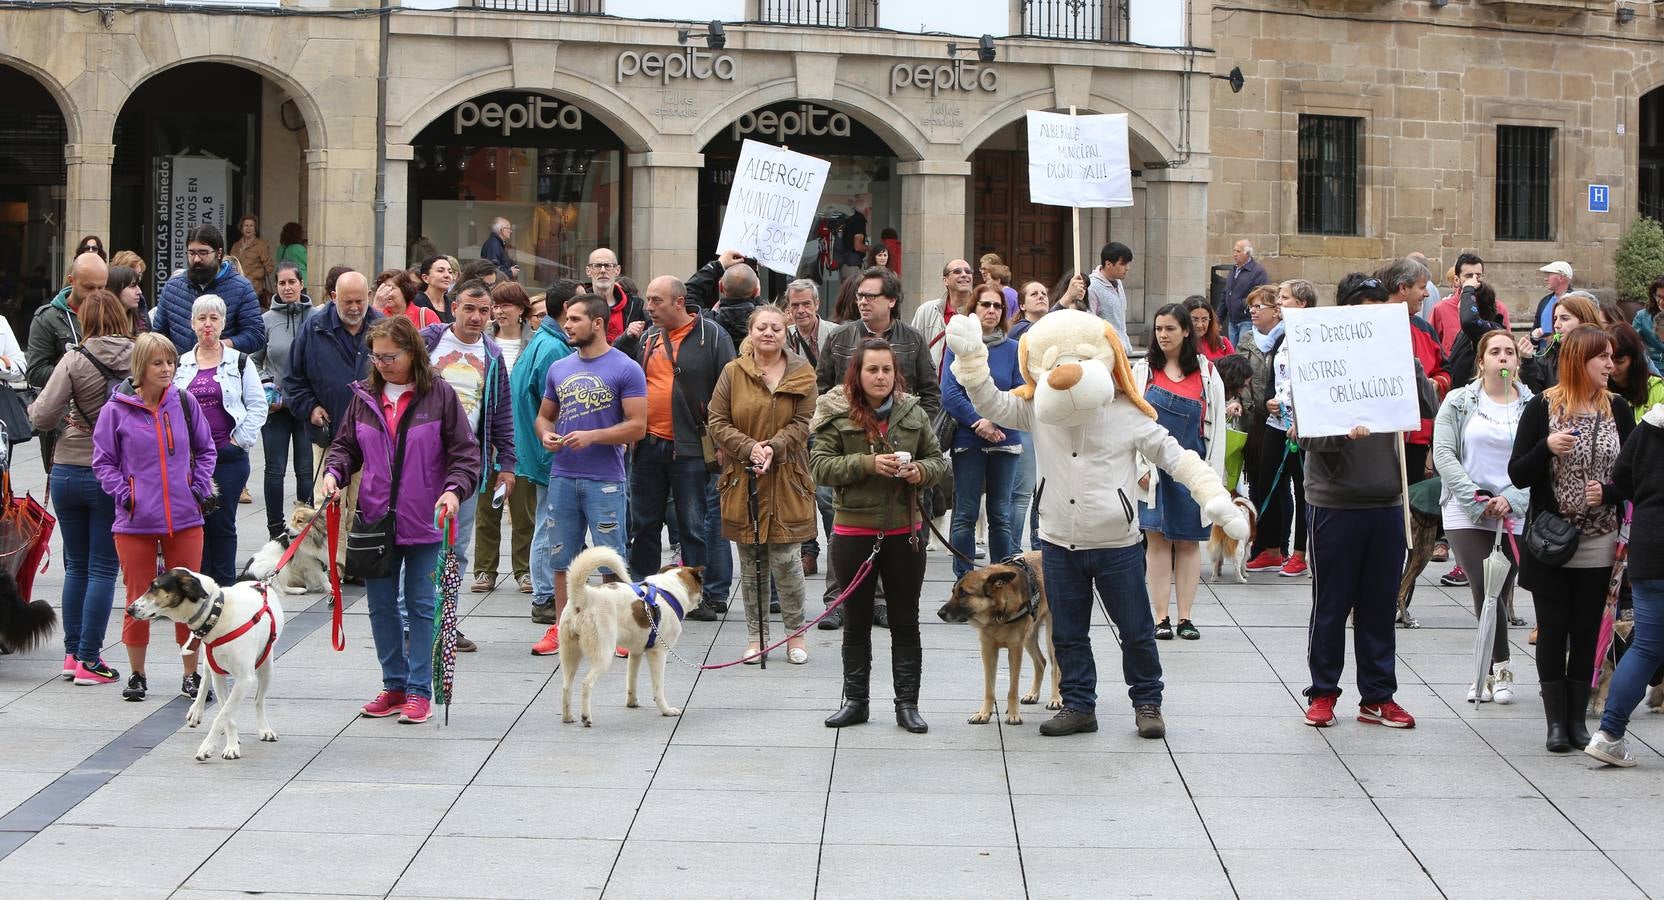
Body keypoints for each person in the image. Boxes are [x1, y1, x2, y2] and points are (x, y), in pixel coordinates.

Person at [944, 308, 1246, 738]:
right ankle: (1079, 704)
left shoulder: (1125, 412)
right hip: (1058, 541)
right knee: (1068, 633)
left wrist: (1214, 498)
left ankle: (1147, 701)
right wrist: (972, 360)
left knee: (1136, 630)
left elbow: (1176, 456)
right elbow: (992, 402)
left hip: (1116, 541)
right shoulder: (1037, 408)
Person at [319, 316, 481, 725]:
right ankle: (393, 684)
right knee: (381, 607)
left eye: (390, 356)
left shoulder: (440, 396)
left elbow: (465, 455)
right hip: (375, 518)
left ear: (413, 353)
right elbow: (344, 446)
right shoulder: (364, 396)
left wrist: (452, 490)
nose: (383, 363)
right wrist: (332, 475)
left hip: (426, 518)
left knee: (423, 606)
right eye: (376, 356)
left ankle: (419, 690)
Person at [1297, 273, 1440, 730]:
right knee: (1332, 604)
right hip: (1334, 503)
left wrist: (1406, 358)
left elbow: (1427, 405)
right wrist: (1340, 433)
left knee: (1379, 605)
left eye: (1380, 306)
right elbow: (1307, 440)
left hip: (1384, 499)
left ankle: (1378, 696)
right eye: (1364, 305)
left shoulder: (1394, 355)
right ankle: (1323, 693)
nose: (1373, 313)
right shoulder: (1317, 358)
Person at [812, 338, 947, 733]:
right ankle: (856, 701)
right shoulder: (837, 413)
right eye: (872, 369)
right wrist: (868, 463)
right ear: (858, 373)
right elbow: (818, 466)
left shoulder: (912, 412)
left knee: (905, 620)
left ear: (895, 373)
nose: (881, 376)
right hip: (854, 530)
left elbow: (937, 460)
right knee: (855, 621)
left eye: (887, 369)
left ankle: (908, 705)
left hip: (906, 532)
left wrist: (920, 472)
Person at [1509, 324, 1634, 752]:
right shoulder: (1541, 408)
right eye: (1601, 357)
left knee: (1585, 631)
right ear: (1580, 361)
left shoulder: (1619, 408)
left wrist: (1611, 492)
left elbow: (1634, 474)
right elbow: (1518, 473)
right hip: (1550, 538)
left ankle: (1577, 722)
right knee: (1553, 628)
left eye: (1612, 356)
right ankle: (1555, 725)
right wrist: (1547, 447)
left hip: (1600, 538)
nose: (1609, 364)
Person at [92, 332, 217, 703]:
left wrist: (197, 487)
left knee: (189, 599)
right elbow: (103, 462)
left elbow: (206, 449)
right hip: (135, 522)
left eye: (171, 362)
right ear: (140, 368)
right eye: (158, 363)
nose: (167, 369)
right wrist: (126, 495)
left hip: (185, 518)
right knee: (137, 598)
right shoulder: (115, 410)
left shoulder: (184, 400)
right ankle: (137, 675)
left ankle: (191, 675)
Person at [816, 266, 942, 630]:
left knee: (899, 524)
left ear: (891, 300)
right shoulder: (840, 338)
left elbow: (930, 394)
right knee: (840, 525)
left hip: (902, 451)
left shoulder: (913, 340)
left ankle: (884, 600)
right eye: (859, 295)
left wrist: (915, 435)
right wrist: (842, 430)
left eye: (870, 296)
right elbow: (823, 390)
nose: (862, 301)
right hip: (849, 450)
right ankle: (838, 599)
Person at [527, 294, 648, 655]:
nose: (567, 325)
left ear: (597, 323)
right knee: (560, 556)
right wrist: (544, 433)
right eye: (567, 319)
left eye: (576, 319)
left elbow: (638, 427)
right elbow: (544, 415)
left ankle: (619, 629)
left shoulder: (626, 368)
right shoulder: (559, 367)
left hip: (605, 478)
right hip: (562, 475)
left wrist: (594, 435)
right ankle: (563, 627)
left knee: (610, 556)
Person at [29, 290, 130, 686]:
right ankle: (91, 659)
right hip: (113, 471)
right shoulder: (139, 355)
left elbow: (41, 416)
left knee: (76, 565)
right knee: (104, 567)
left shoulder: (74, 357)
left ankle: (73, 656)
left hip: (69, 466)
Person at [708, 304, 817, 663]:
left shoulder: (802, 371)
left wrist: (774, 447)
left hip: (788, 477)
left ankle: (796, 635)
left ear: (786, 334)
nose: (768, 333)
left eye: (776, 328)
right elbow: (717, 420)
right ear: (750, 333)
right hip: (743, 478)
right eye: (761, 328)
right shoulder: (733, 372)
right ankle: (757, 637)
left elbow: (804, 422)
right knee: (752, 562)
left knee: (787, 560)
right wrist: (750, 448)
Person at [628, 274, 736, 621]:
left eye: (656, 300)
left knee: (693, 525)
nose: (649, 307)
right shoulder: (647, 337)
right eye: (648, 299)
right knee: (643, 523)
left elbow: (728, 389)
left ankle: (698, 595)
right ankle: (642, 589)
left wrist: (723, 441)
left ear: (679, 302)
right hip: (648, 446)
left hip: (690, 449)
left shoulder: (712, 335)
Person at [1432, 329, 1530, 704]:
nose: (1503, 358)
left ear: (1517, 362)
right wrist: (1475, 496)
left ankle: (1489, 669)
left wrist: (1511, 498)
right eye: (1495, 352)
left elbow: (1538, 460)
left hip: (1513, 507)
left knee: (1502, 589)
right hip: (1466, 506)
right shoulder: (1458, 401)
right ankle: (1496, 668)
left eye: (1509, 352)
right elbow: (1444, 454)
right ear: (1481, 360)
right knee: (1482, 585)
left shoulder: (1531, 404)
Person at [1134, 304, 1227, 641]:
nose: (1163, 335)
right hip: (1153, 470)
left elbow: (1217, 431)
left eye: (1171, 328)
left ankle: (1185, 616)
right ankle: (1161, 617)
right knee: (1155, 540)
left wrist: (1214, 479)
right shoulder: (1142, 371)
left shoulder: (1206, 373)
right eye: (1159, 329)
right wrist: (1138, 468)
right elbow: (1130, 422)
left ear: (1186, 331)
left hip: (1192, 467)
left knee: (1189, 542)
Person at [420, 281, 514, 612]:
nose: (476, 317)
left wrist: (507, 465)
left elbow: (502, 412)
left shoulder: (492, 355)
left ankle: (445, 621)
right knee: (418, 544)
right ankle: (412, 620)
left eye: (484, 311)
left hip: (466, 464)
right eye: (469, 308)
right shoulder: (427, 342)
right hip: (421, 461)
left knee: (456, 547)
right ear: (454, 306)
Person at [285, 271, 382, 575]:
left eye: (359, 300)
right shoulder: (314, 327)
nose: (354, 307)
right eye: (347, 301)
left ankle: (349, 560)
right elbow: (292, 379)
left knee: (360, 501)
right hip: (330, 432)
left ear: (369, 296)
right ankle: (333, 564)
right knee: (329, 499)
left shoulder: (381, 325)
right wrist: (310, 407)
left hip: (372, 432)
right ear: (333, 298)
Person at [1588, 386, 1664, 766]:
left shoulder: (1650, 424)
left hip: (1650, 546)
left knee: (1647, 646)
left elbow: (1622, 480)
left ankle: (1609, 733)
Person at [175, 295, 268, 585]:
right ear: (192, 323)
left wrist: (239, 441)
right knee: (195, 523)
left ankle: (226, 587)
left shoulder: (239, 362)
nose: (207, 325)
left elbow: (257, 405)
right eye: (202, 318)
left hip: (227, 457)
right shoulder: (182, 363)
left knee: (222, 522)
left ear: (223, 324)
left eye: (214, 319)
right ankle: (199, 585)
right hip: (191, 460)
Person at [940, 283, 1024, 578]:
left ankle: (1003, 579)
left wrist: (996, 421)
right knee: (964, 513)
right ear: (973, 309)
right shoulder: (958, 347)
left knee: (1000, 516)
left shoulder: (1015, 349)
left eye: (997, 306)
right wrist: (980, 421)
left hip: (1006, 438)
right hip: (968, 438)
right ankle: (964, 580)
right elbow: (950, 393)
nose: (991, 310)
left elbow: (1020, 391)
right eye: (985, 304)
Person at [516, 280, 578, 626]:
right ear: (567, 307)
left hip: (537, 446)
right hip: (547, 448)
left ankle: (544, 592)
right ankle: (544, 596)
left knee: (546, 519)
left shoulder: (544, 340)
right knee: (549, 523)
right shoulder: (554, 348)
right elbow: (554, 407)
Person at [471, 281, 536, 594]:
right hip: (487, 437)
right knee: (487, 510)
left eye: (505, 304)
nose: (499, 311)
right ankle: (484, 570)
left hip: (523, 436)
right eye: (494, 306)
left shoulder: (534, 343)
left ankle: (524, 570)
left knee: (524, 510)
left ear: (521, 309)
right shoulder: (482, 344)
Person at [1245, 280, 1313, 577]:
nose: (1280, 303)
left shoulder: (1312, 336)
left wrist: (1302, 419)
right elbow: (1276, 375)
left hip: (1302, 426)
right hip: (1277, 421)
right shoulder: (1282, 337)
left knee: (1302, 488)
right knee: (1265, 482)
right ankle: (1271, 549)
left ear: (1302, 304)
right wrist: (1271, 399)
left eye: (1285, 298)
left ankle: (1299, 553)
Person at [255, 261, 314, 539]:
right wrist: (267, 385)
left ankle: (307, 527)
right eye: (282, 283)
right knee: (274, 470)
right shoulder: (265, 320)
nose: (287, 287)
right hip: (276, 407)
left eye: (292, 282)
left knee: (305, 471)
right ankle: (275, 529)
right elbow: (253, 361)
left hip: (306, 407)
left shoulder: (316, 317)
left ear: (301, 284)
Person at [155, 225, 266, 354]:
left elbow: (256, 336)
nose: (196, 259)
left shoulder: (241, 288)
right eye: (191, 253)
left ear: (218, 253)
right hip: (182, 370)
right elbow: (158, 335)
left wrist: (220, 346)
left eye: (203, 253)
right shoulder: (172, 287)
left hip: (224, 370)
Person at [1008, 279, 1054, 552]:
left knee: (1044, 489)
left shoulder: (1050, 328)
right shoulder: (1021, 333)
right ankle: (1012, 550)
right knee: (1023, 491)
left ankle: (1039, 546)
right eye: (1034, 294)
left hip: (1049, 418)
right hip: (1026, 415)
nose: (1041, 297)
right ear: (1022, 304)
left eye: (1044, 293)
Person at [1519, 292, 1600, 394]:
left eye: (1564, 318)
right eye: (1555, 319)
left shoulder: (1603, 351)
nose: (1556, 325)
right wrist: (1527, 361)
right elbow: (1535, 393)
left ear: (1584, 321)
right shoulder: (1549, 354)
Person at [1428, 254, 1509, 354]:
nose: (1474, 280)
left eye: (1478, 276)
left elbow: (1508, 344)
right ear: (1457, 280)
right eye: (1469, 276)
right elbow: (1431, 346)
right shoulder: (1441, 309)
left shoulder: (1498, 307)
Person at [912, 259, 975, 371]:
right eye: (957, 272)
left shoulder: (979, 313)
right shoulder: (926, 310)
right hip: (932, 385)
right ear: (945, 280)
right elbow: (912, 350)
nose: (964, 275)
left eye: (968, 271)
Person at [584, 247, 647, 349]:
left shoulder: (634, 307)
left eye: (608, 266)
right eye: (597, 266)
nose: (603, 270)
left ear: (617, 270)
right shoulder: (579, 306)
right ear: (588, 271)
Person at [1609, 322, 1664, 421]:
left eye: (1620, 362)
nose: (1612, 368)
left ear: (1635, 360)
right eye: (1605, 359)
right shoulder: (1595, 388)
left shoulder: (1656, 389)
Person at [1219, 239, 1269, 346]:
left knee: (1243, 354)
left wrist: (1242, 305)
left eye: (1238, 251)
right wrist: (1218, 319)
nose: (1234, 254)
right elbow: (1225, 294)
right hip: (1232, 321)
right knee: (1232, 355)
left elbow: (1261, 295)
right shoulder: (1234, 270)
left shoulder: (1258, 271)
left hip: (1247, 321)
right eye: (1234, 251)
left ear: (1247, 253)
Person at [1087, 242, 1133, 349]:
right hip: (1106, 352)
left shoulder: (1118, 283)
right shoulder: (1092, 287)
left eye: (1128, 264)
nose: (1127, 268)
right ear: (1108, 264)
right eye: (1123, 264)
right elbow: (1090, 322)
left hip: (1122, 349)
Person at [231, 215, 275, 309]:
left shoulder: (261, 245)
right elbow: (231, 264)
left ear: (255, 229)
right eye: (246, 225)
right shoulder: (236, 245)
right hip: (236, 288)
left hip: (253, 289)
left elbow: (269, 267)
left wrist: (253, 276)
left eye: (251, 226)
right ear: (241, 228)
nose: (248, 228)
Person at [1532, 261, 1574, 352]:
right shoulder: (1544, 302)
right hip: (1543, 358)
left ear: (1561, 277)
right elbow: (1534, 332)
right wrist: (1534, 337)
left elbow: (1580, 332)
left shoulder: (1576, 301)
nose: (1545, 279)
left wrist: (1550, 337)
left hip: (1567, 354)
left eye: (1549, 275)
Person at [1184, 295, 1234, 362]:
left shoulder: (1223, 343)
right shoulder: (1177, 346)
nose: (1200, 325)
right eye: (1195, 319)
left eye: (1204, 319)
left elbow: (1236, 370)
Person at [105, 265, 151, 336]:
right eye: (132, 286)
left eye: (138, 285)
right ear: (116, 289)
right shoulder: (100, 323)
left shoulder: (139, 317)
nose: (139, 292)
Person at [415, 256, 456, 324]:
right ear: (425, 278)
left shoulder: (453, 304)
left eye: (450, 272)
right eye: (440, 271)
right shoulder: (415, 302)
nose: (447, 275)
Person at [978, 254, 1019, 320]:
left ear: (997, 280)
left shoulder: (1005, 294)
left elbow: (1006, 320)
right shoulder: (1010, 292)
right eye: (981, 269)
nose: (982, 272)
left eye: (985, 269)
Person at [480, 217, 520, 282]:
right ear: (501, 230)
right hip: (495, 288)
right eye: (509, 228)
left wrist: (509, 270)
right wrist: (510, 273)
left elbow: (498, 266)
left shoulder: (497, 243)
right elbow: (492, 269)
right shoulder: (493, 244)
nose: (511, 231)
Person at [276, 222, 307, 286]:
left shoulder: (280, 248)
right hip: (301, 280)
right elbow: (309, 263)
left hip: (285, 280)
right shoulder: (298, 248)